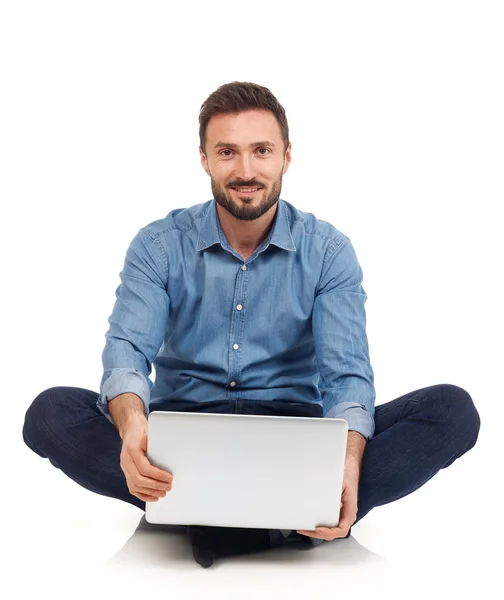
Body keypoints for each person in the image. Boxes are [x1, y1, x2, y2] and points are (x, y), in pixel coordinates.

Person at [23, 81, 481, 569]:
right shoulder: (159, 245)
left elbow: (346, 376)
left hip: (295, 436)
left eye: (261, 150)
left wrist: (347, 461)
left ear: (286, 156)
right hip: (182, 441)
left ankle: (213, 518)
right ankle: (285, 518)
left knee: (451, 410)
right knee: (50, 413)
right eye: (227, 152)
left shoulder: (327, 252)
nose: (245, 171)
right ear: (204, 159)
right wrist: (134, 424)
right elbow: (127, 350)